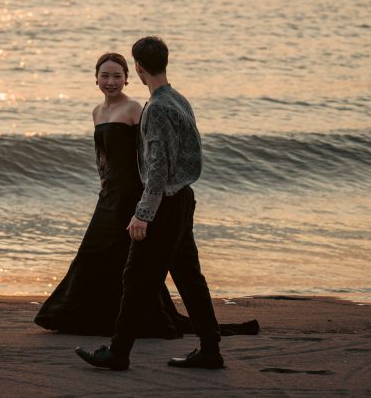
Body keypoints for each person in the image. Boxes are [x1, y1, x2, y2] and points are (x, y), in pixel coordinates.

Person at [37, 51, 257, 341]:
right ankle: (92, 316)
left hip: (132, 195)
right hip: (109, 194)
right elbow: (102, 156)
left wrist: (147, 201)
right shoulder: (97, 112)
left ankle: (138, 324)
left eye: (117, 76)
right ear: (96, 79)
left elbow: (152, 154)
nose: (111, 81)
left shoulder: (136, 110)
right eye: (105, 76)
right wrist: (103, 183)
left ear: (129, 78)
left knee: (125, 258)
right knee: (100, 255)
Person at [75, 36, 228, 371]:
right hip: (184, 198)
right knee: (189, 276)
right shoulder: (178, 99)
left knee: (135, 276)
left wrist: (143, 213)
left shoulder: (156, 109)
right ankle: (210, 349)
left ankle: (118, 352)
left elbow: (157, 166)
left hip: (166, 203)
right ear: (165, 63)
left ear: (139, 69)